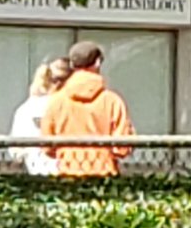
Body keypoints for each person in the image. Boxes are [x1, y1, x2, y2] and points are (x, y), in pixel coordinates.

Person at [41, 41, 134, 177]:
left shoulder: (57, 101)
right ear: (97, 63)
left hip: (68, 172)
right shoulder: (112, 101)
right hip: (104, 174)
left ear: (72, 65)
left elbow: (47, 147)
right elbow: (122, 148)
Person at [10, 58, 72, 176]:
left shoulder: (26, 108)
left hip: (36, 171)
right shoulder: (74, 106)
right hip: (70, 169)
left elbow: (16, 151)